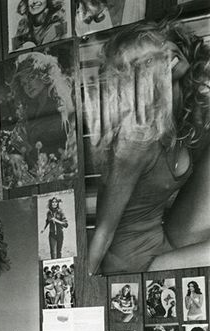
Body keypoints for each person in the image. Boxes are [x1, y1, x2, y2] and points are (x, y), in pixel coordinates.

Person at [85, 19, 210, 275]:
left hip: (162, 241)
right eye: (156, 53)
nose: (168, 51)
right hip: (133, 265)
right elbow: (103, 232)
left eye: (164, 44)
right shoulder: (133, 143)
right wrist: (84, 294)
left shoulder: (179, 125)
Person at [1, 50, 75, 188]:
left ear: (44, 75)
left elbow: (59, 152)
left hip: (56, 180)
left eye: (31, 77)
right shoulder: (32, 108)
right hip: (36, 179)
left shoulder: (59, 105)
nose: (27, 86)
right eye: (23, 83)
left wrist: (26, 147)